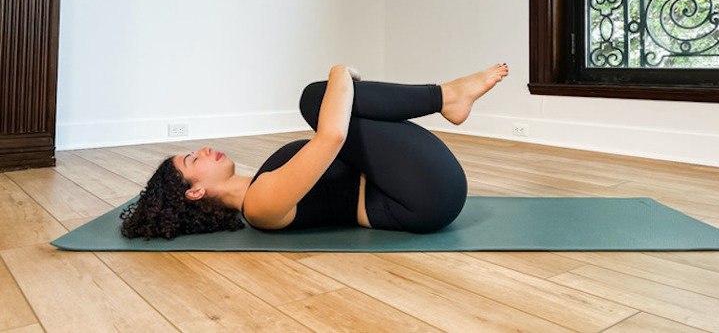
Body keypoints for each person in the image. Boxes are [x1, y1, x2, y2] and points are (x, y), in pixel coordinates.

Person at [120, 63, 509, 239]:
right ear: (195, 192)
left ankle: (448, 96)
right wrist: (340, 74)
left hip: (415, 184)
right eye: (193, 160)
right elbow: (331, 138)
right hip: (424, 197)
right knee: (316, 99)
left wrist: (345, 90)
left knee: (323, 100)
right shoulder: (259, 206)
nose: (204, 150)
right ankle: (447, 96)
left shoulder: (260, 183)